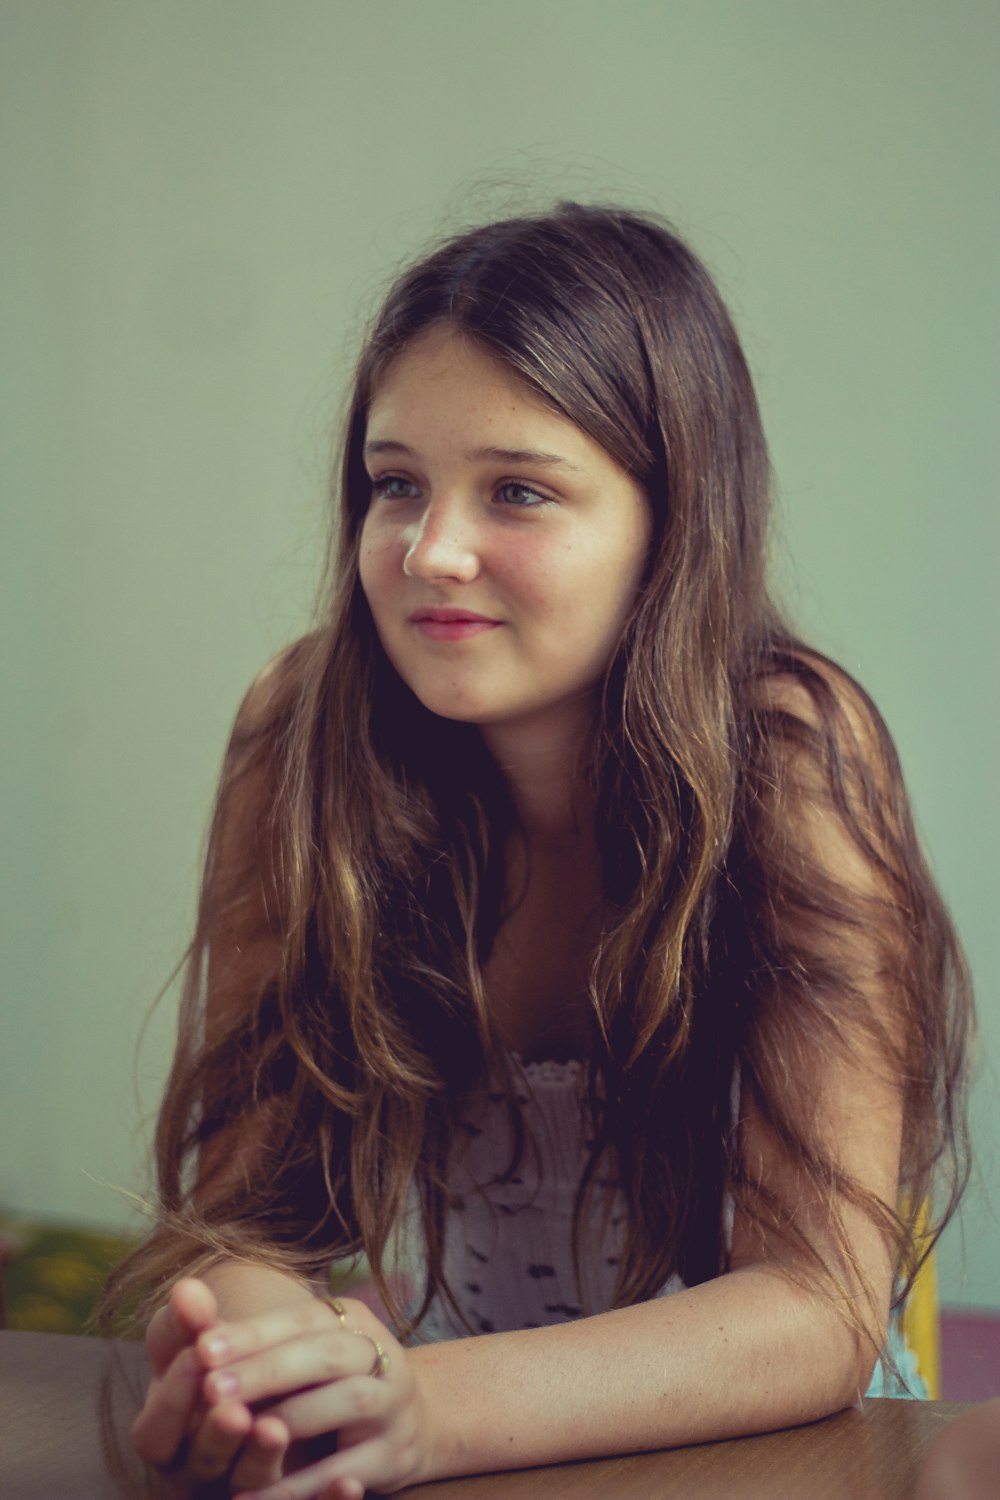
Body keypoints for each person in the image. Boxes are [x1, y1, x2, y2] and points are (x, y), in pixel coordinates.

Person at [101, 203, 973, 1500]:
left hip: (784, 1456)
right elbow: (249, 1216)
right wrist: (261, 1366)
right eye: (396, 484)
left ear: (672, 523)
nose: (429, 550)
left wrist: (427, 1410)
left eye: (517, 490)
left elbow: (820, 1307)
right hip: (456, 1446)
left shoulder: (797, 754)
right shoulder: (303, 737)